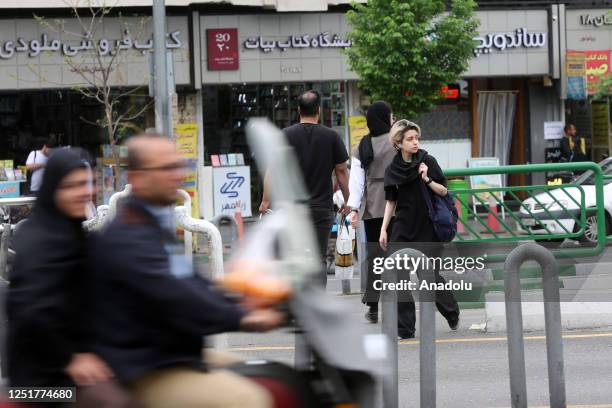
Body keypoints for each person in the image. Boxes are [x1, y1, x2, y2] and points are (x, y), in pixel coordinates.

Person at [90, 133, 283, 408]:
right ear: (138, 177)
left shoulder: (150, 223)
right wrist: (245, 317)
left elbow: (190, 282)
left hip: (170, 354)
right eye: (166, 168)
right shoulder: (130, 236)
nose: (177, 175)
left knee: (263, 373)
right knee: (249, 399)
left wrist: (243, 296)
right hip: (146, 367)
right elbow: (178, 297)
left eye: (178, 165)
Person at [6, 148, 137, 407]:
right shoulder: (39, 241)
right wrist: (70, 359)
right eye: (72, 186)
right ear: (53, 189)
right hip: (38, 386)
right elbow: (34, 312)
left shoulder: (72, 234)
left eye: (85, 183)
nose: (83, 192)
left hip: (68, 368)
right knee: (116, 402)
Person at [259, 90, 350, 286]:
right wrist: (348, 200)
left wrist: (265, 200)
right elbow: (341, 171)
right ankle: (318, 303)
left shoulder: (285, 135)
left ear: (298, 110)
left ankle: (296, 305)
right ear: (319, 110)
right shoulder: (331, 136)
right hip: (321, 209)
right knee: (318, 259)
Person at [379, 120, 460, 339]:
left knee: (429, 276)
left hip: (427, 226)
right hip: (402, 227)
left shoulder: (427, 161)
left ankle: (451, 312)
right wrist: (384, 229)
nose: (415, 142)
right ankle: (406, 328)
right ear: (399, 143)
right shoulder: (392, 169)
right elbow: (391, 201)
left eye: (417, 138)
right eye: (410, 139)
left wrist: (427, 179)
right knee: (399, 276)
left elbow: (444, 191)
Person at [346, 101, 396, 324]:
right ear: (385, 118)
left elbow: (355, 182)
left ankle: (373, 305)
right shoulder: (397, 141)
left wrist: (354, 209)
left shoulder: (362, 146)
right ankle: (401, 302)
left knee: (376, 256)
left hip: (374, 204)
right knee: (400, 254)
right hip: (398, 202)